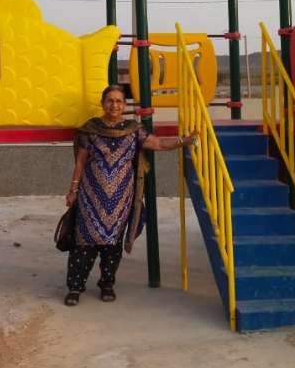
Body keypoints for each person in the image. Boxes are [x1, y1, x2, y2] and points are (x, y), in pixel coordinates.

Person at [63, 85, 197, 306]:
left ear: (125, 105)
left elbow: (159, 144)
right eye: (110, 101)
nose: (114, 105)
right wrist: (73, 191)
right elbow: (80, 162)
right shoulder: (90, 130)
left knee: (112, 244)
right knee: (83, 243)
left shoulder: (133, 130)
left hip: (120, 199)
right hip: (90, 197)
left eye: (119, 101)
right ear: (102, 103)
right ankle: (75, 288)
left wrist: (184, 140)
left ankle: (107, 285)